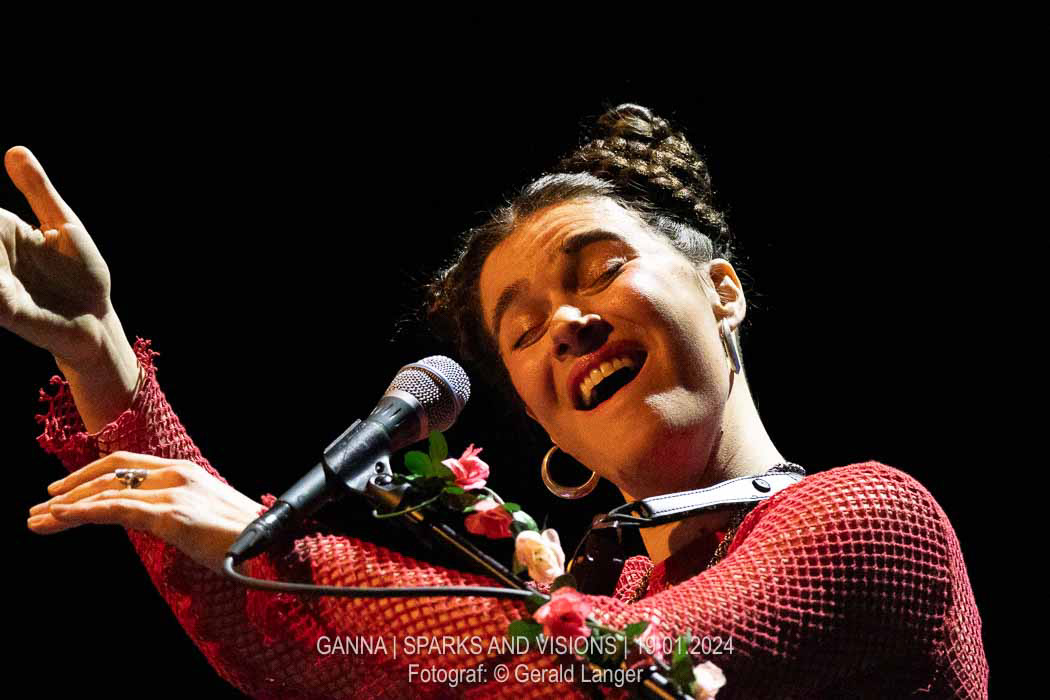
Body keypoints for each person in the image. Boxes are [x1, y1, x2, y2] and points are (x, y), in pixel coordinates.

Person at [6, 104, 988, 698]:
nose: (565, 323)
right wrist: (98, 352)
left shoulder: (869, 516)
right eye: (522, 331)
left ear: (722, 291)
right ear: (544, 420)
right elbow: (303, 641)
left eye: (600, 270)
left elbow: (638, 672)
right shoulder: (604, 599)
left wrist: (270, 544)